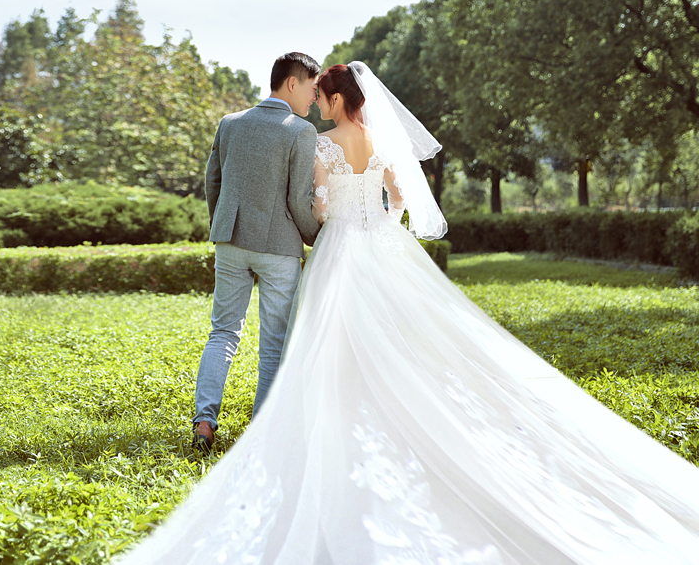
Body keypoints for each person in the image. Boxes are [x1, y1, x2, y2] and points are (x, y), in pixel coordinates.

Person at [118, 61, 699, 564]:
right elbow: (397, 197)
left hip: (328, 243)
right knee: (364, 332)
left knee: (306, 332)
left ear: (336, 98)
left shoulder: (315, 142)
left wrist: (330, 218)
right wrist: (374, 225)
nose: (315, 104)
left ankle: (251, 418)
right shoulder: (377, 142)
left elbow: (315, 202)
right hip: (373, 242)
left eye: (321, 96)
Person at [194, 51, 322, 454]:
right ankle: (261, 431)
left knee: (222, 333)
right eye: (312, 90)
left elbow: (212, 182)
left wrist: (224, 227)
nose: (314, 100)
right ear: (292, 83)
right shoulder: (300, 131)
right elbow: (300, 201)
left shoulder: (229, 123)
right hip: (279, 249)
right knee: (273, 344)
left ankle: (204, 423)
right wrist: (319, 238)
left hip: (230, 242)